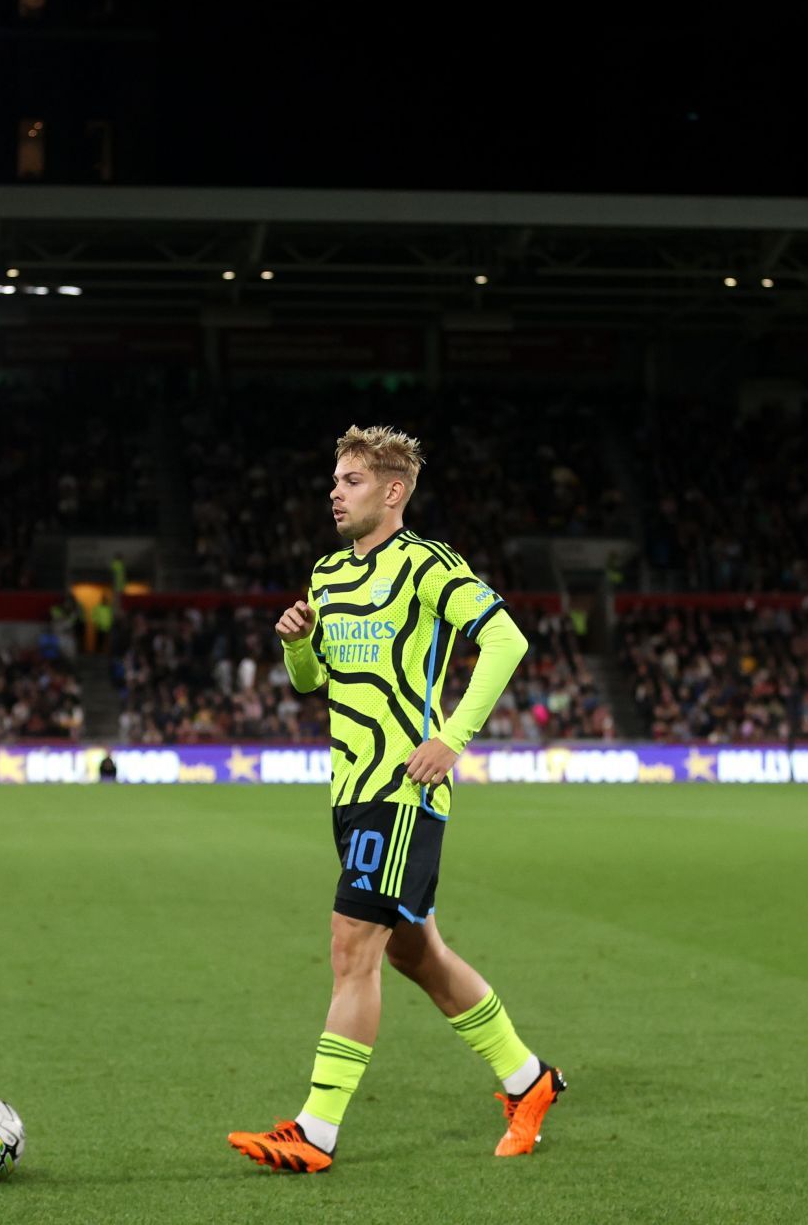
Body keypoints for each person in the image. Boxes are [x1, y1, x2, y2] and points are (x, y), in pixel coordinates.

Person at [227, 425, 564, 1175]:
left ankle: (316, 1131)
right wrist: (296, 643)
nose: (334, 492)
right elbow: (312, 684)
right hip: (349, 794)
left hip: (401, 790)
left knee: (352, 949)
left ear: (393, 490)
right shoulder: (325, 574)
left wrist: (453, 736)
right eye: (334, 480)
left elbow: (506, 639)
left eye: (350, 480)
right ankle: (527, 1079)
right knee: (417, 952)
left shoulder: (426, 564)